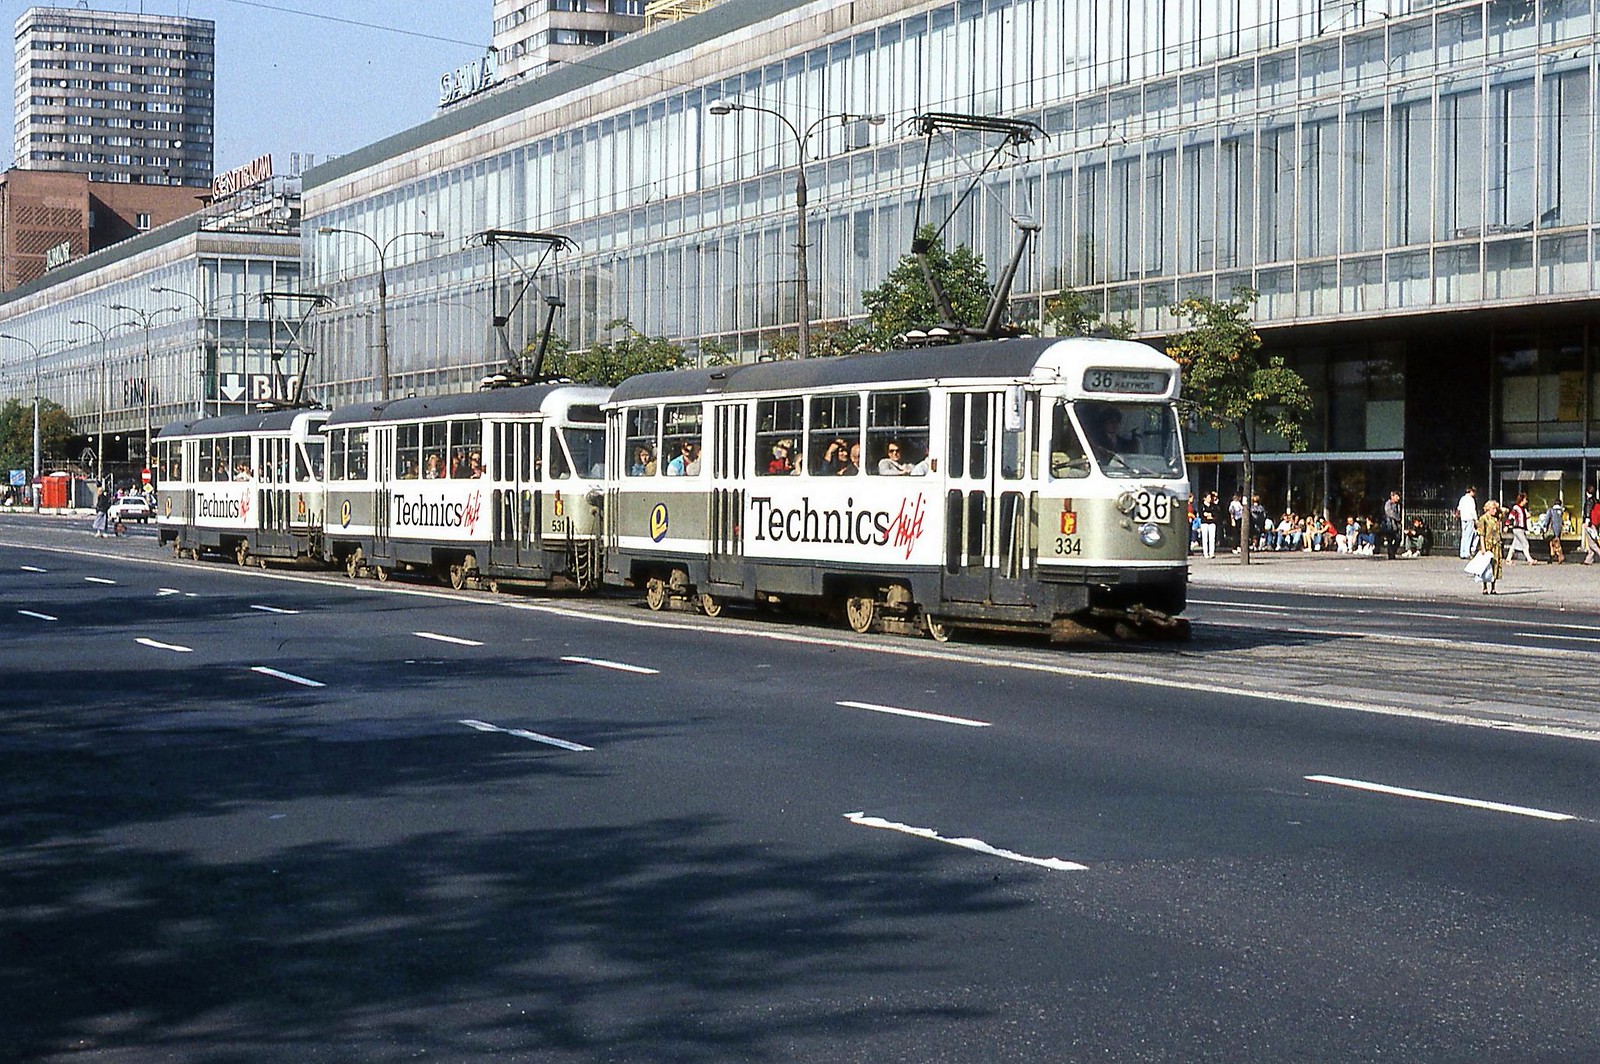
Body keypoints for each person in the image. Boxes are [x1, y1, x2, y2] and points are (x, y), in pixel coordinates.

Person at [1474, 499, 1505, 594]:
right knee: (1486, 566)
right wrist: (1483, 547)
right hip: (1488, 544)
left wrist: (1498, 508)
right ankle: (1484, 586)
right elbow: (1481, 533)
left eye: (1495, 509)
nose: (1494, 510)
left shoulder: (1496, 518)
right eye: (1493, 508)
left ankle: (1493, 586)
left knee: (1495, 565)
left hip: (1496, 544)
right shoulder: (1483, 518)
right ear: (1487, 509)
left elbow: (1504, 511)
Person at [1506, 492, 1536, 566]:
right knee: (1525, 544)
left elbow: (1525, 516)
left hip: (1521, 529)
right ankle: (1529, 559)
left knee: (1514, 545)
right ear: (1522, 500)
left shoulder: (1523, 509)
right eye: (1525, 499)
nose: (1526, 501)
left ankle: (1508, 559)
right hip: (1517, 528)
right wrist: (1507, 525)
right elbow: (1511, 516)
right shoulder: (1516, 508)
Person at [1455, 486, 1479, 558]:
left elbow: (1459, 508)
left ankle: (1462, 552)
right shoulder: (1471, 500)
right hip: (1469, 518)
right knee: (1469, 536)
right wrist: (1476, 519)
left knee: (1464, 536)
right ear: (1471, 491)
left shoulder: (1462, 498)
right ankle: (1467, 553)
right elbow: (1473, 510)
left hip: (1463, 518)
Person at [1382, 490, 1403, 560]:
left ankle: (1393, 552)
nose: (1398, 498)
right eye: (1396, 496)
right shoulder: (1388, 504)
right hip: (1389, 524)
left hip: (1396, 525)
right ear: (1392, 497)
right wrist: (1397, 518)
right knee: (1390, 539)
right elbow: (1389, 513)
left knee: (1398, 538)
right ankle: (1391, 554)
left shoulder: (1398, 505)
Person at [1544, 498, 1566, 564]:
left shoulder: (1551, 510)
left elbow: (1547, 519)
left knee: (1555, 544)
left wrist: (1545, 527)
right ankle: (1552, 556)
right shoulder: (1561, 511)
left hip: (1552, 529)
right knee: (1554, 543)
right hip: (1559, 529)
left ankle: (1560, 556)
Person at [1197, 491, 1219, 558]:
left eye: (1210, 497)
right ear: (1204, 498)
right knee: (1205, 538)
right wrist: (1206, 515)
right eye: (1208, 497)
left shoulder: (1213, 506)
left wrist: (1210, 515)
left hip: (1212, 523)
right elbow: (1201, 515)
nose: (1210, 499)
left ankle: (1211, 553)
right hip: (1204, 523)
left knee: (1212, 538)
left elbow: (1216, 514)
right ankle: (1205, 553)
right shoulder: (1201, 506)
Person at [1583, 490, 1600, 565]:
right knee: (1591, 543)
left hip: (1590, 524)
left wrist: (1586, 522)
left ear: (1587, 492)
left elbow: (1587, 512)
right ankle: (1588, 559)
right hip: (1595, 523)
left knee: (1592, 543)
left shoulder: (1589, 501)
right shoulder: (1596, 501)